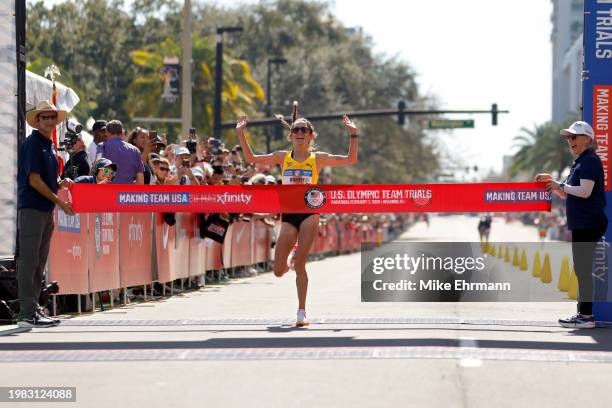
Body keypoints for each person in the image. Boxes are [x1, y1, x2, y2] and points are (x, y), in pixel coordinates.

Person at [236, 101, 358, 326]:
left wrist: (353, 135)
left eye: (304, 130)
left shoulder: (317, 158)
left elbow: (350, 160)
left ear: (311, 135)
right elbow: (252, 158)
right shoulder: (283, 156)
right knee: (278, 272)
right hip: (289, 214)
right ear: (290, 135)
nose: (300, 132)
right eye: (296, 130)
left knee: (301, 264)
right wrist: (240, 133)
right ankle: (291, 255)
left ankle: (301, 312)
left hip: (310, 212)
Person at [536, 121, 607, 329]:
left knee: (583, 270)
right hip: (582, 223)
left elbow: (584, 191)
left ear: (587, 138)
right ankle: (583, 315)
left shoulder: (591, 161)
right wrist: (553, 183)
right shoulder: (580, 163)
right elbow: (569, 192)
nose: (570, 141)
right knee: (581, 270)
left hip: (589, 223)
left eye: (574, 137)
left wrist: (559, 185)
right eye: (568, 138)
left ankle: (586, 317)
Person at [17, 100, 75, 328]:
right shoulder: (33, 143)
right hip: (32, 208)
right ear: (37, 120)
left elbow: (45, 180)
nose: (50, 120)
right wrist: (59, 201)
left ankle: (32, 311)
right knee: (30, 262)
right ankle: (26, 313)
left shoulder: (48, 145)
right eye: (45, 117)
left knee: (39, 262)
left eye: (52, 117)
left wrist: (60, 183)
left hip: (44, 208)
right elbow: (34, 180)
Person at [96, 120, 144, 184]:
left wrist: (112, 173)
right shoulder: (135, 150)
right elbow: (140, 178)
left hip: (107, 191)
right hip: (126, 192)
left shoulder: (102, 146)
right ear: (121, 133)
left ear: (107, 133)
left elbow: (98, 169)